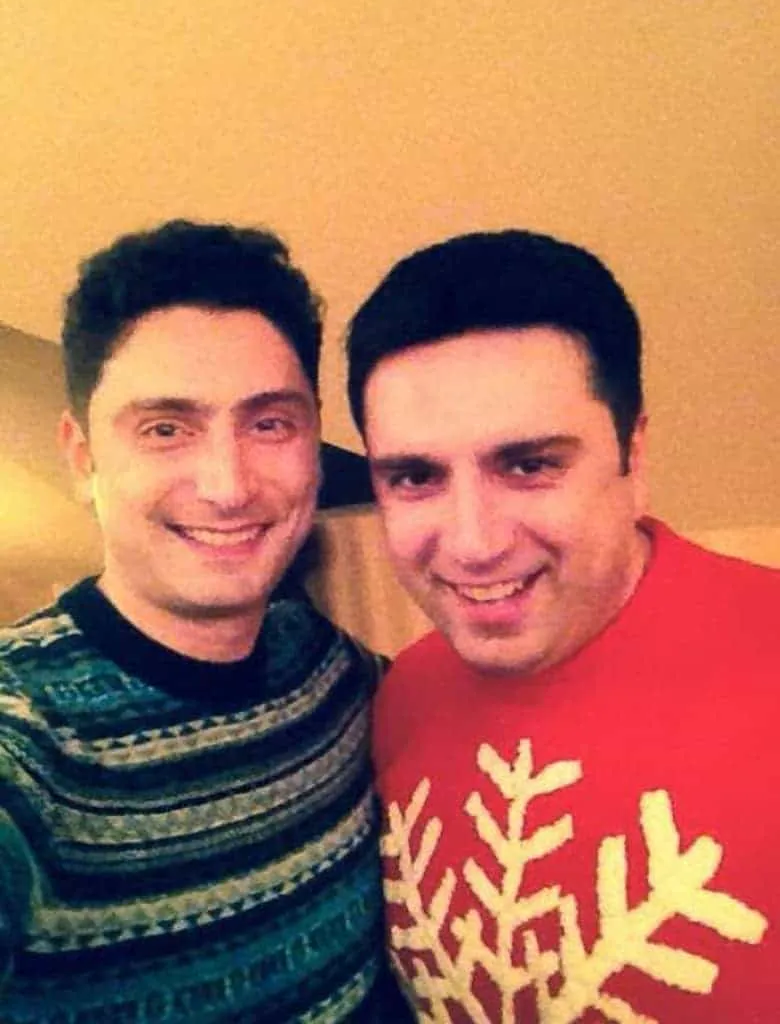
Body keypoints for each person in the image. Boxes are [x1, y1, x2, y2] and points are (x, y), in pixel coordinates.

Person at [345, 230, 780, 1023]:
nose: (473, 542)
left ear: (633, 454)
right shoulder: (400, 697)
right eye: (415, 477)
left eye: (530, 465)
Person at [0, 220, 410, 1023]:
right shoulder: (29, 740)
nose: (228, 486)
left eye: (269, 423)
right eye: (165, 429)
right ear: (82, 458)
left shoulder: (330, 669)